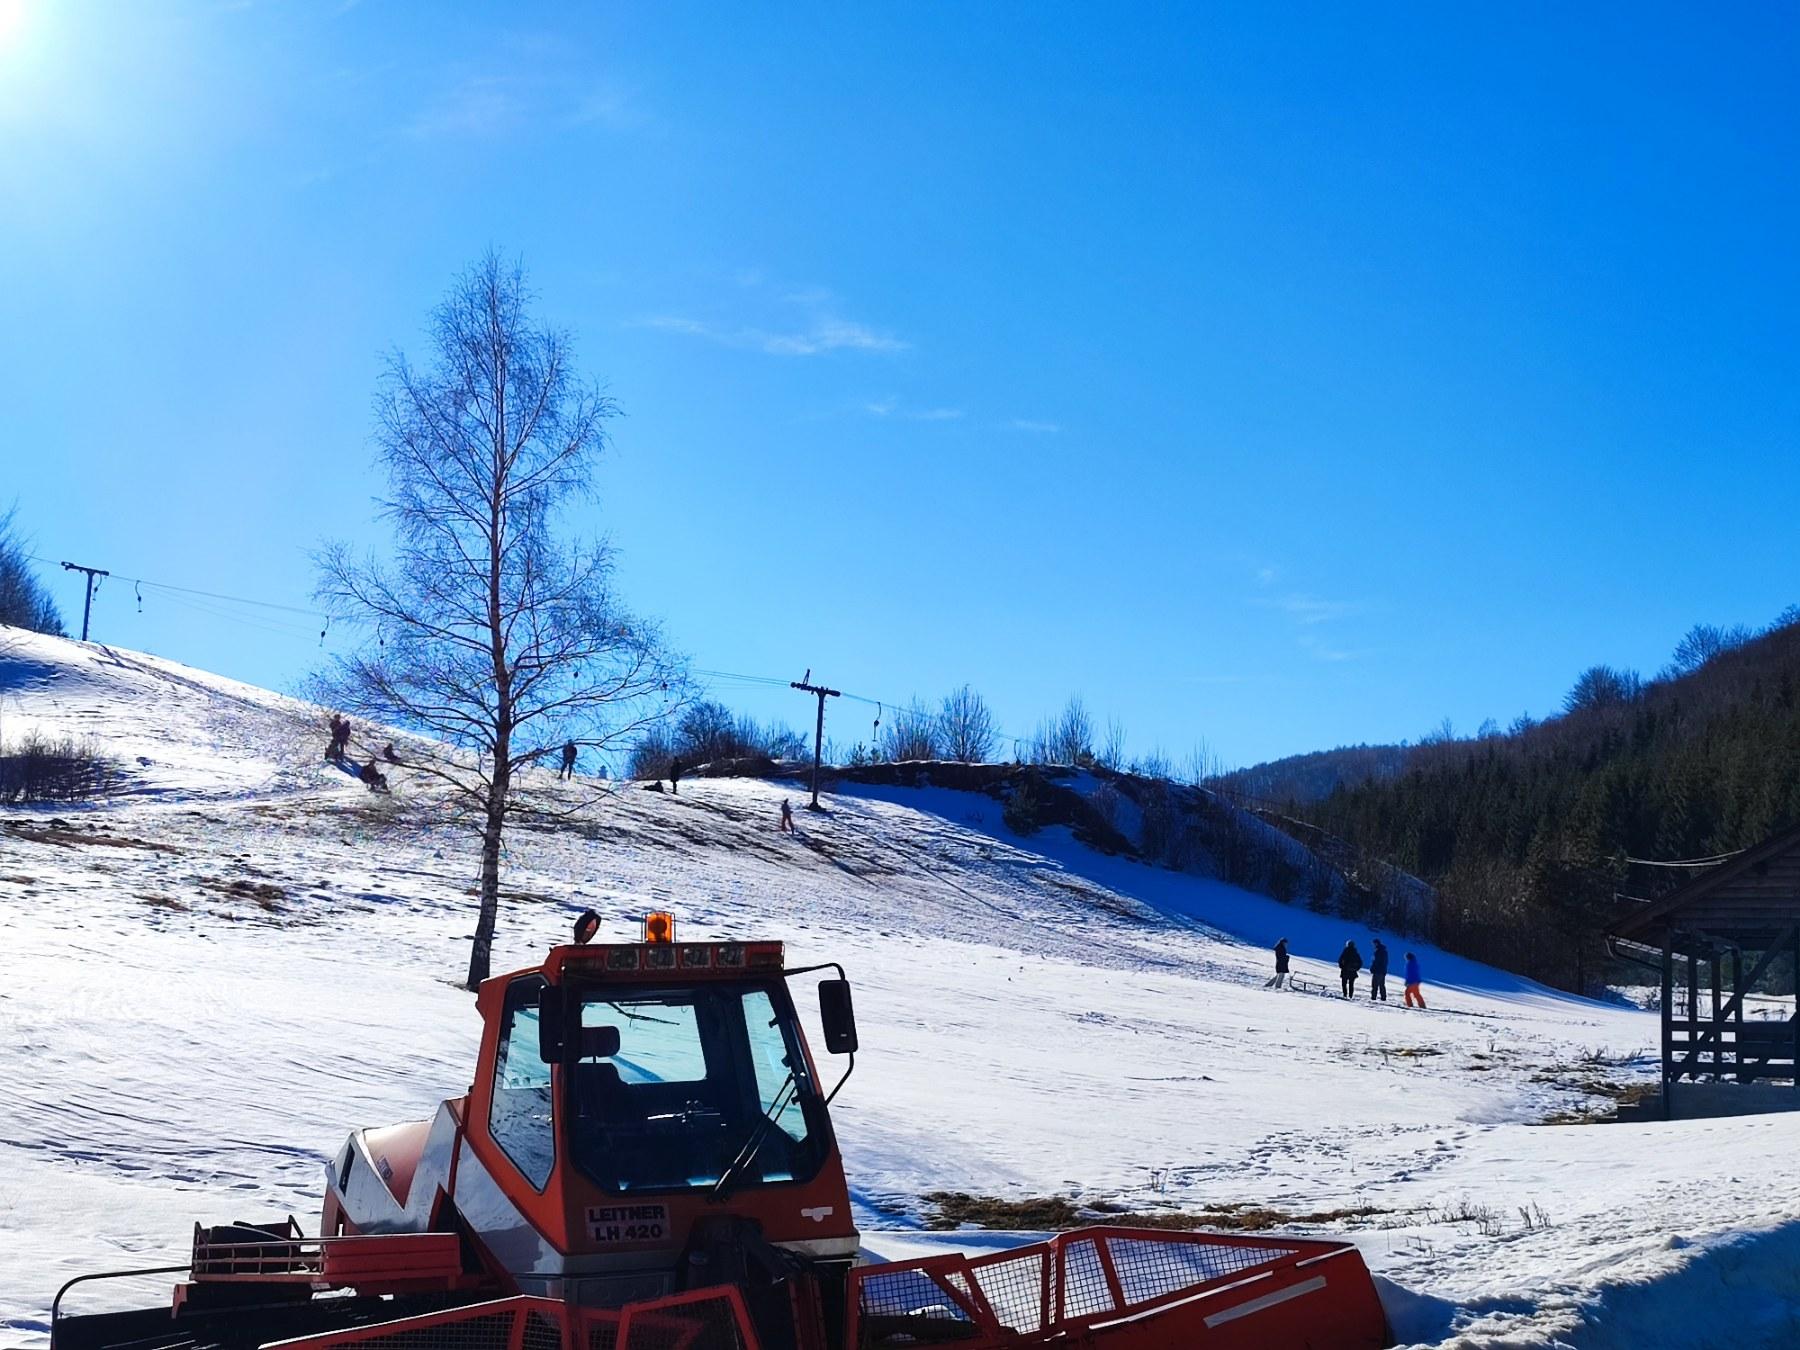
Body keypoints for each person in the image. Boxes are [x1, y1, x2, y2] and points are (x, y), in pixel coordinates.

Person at [1369, 938, 1390, 1002]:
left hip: (1377, 971)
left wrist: (1372, 968)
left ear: (1376, 943)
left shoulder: (1378, 951)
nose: (1373, 945)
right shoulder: (1384, 951)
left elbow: (1375, 961)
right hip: (1383, 971)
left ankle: (1373, 997)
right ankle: (1383, 997)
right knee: (1382, 985)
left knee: (1374, 984)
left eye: (1374, 943)